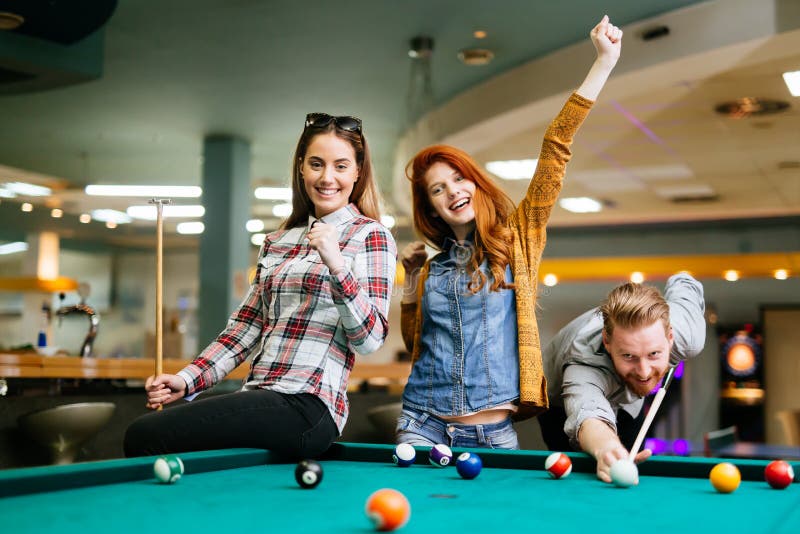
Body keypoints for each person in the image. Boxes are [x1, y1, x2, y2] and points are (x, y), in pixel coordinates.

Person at [397, 16, 623, 449]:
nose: (452, 192)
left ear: (475, 184)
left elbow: (555, 148)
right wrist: (410, 279)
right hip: (421, 424)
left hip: (493, 432)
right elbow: (416, 346)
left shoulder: (519, 238)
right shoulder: (432, 269)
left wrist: (603, 63)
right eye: (437, 190)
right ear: (432, 209)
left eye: (458, 179)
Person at [124, 113, 397, 459]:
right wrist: (188, 380)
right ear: (301, 167)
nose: (327, 177)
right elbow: (244, 329)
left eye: (340, 166)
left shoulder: (371, 236)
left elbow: (369, 340)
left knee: (144, 435)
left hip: (309, 405)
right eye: (316, 164)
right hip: (260, 396)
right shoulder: (277, 241)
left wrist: (337, 264)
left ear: (358, 172)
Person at [538, 273, 706, 483]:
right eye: (629, 356)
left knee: (633, 462)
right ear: (607, 341)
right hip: (561, 406)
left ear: (670, 337)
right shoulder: (583, 361)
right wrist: (606, 447)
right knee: (588, 474)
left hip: (628, 400)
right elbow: (587, 413)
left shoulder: (687, 336)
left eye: (654, 354)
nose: (644, 372)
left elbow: (684, 280)